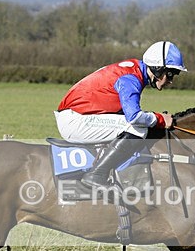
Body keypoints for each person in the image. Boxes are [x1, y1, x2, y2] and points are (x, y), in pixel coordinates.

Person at [54, 40, 187, 189]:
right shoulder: (131, 78)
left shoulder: (134, 70)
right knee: (138, 128)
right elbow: (134, 117)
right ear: (157, 69)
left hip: (77, 115)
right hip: (75, 120)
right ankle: (96, 175)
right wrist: (159, 119)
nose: (170, 81)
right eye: (170, 75)